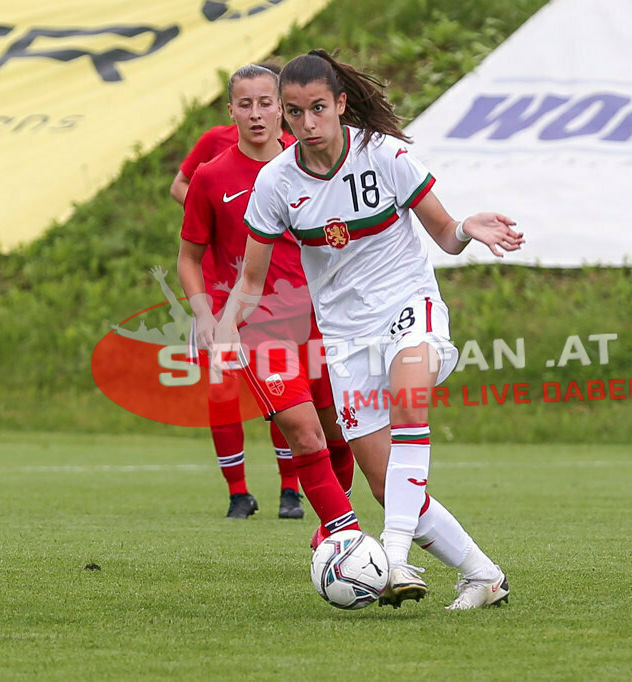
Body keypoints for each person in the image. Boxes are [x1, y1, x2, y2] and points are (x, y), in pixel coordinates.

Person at [229, 50, 524, 610]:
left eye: (318, 108)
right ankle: (484, 576)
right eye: (294, 113)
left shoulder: (384, 154)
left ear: (341, 104)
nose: (306, 124)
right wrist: (222, 324)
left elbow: (443, 232)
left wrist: (467, 226)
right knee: (387, 483)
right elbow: (250, 280)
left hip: (410, 309)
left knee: (410, 399)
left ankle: (391, 558)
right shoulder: (275, 183)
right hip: (346, 342)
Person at [177, 64, 358, 532]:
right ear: (230, 112)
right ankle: (259, 499)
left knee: (340, 433)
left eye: (265, 103)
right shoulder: (211, 177)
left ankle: (334, 531)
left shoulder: (313, 162)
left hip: (324, 320)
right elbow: (189, 257)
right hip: (259, 325)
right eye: (245, 104)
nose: (256, 114)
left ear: (281, 107)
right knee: (302, 430)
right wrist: (204, 314)